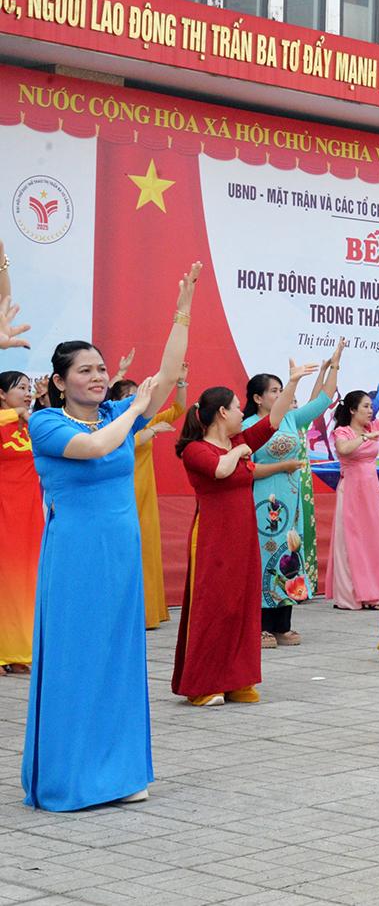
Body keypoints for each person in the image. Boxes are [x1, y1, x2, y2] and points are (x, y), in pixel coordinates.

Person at [23, 261, 196, 810]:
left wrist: (182, 311)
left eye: (101, 369)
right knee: (78, 658)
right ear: (59, 381)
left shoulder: (121, 411)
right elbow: (97, 449)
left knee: (120, 658)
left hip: (121, 555)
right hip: (75, 556)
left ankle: (119, 773)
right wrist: (137, 410)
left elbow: (166, 376)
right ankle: (70, 777)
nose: (98, 377)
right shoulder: (47, 424)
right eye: (85, 371)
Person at [173, 366, 319, 706]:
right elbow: (221, 470)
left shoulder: (239, 440)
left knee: (242, 607)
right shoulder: (196, 449)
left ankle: (237, 680)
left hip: (244, 536)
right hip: (213, 537)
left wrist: (294, 381)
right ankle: (203, 684)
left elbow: (273, 420)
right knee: (214, 607)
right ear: (222, 413)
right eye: (239, 408)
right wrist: (239, 452)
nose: (243, 413)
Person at [246, 347, 342, 647]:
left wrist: (334, 365)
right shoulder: (247, 426)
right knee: (263, 558)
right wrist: (283, 465)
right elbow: (247, 467)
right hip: (262, 499)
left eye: (280, 389)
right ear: (257, 398)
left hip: (291, 500)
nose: (279, 395)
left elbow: (323, 400)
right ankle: (258, 626)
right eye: (273, 391)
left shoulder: (290, 420)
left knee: (289, 556)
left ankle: (282, 625)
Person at [110, 366, 188, 630]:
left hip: (145, 493)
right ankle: (124, 614)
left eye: (138, 394)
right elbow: (132, 441)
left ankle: (149, 611)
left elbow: (178, 410)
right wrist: (152, 432)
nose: (137, 400)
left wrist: (181, 383)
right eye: (130, 396)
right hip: (122, 493)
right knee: (124, 551)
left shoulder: (146, 419)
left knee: (147, 548)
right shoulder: (113, 423)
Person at [329, 378, 379, 611]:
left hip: (371, 490)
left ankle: (373, 593)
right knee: (351, 540)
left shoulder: (373, 427)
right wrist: (363, 438)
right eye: (366, 407)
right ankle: (350, 595)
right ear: (352, 410)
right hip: (351, 489)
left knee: (372, 538)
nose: (371, 411)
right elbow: (343, 450)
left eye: (371, 407)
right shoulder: (343, 431)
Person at [0, 370, 40, 675]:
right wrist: (19, 412)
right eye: (20, 388)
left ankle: (19, 650)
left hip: (30, 513)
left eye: (29, 388)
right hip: (4, 511)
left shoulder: (33, 425)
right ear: (2, 394)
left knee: (25, 581)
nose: (28, 392)